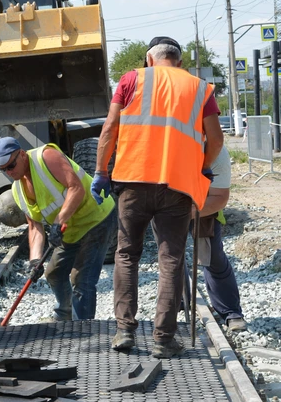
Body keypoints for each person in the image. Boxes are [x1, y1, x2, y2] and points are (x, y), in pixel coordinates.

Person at [92, 36, 224, 358]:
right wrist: (203, 168)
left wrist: (101, 171)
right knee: (171, 259)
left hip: (133, 181)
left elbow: (110, 127)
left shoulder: (131, 79)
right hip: (177, 187)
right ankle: (163, 339)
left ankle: (125, 331)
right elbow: (217, 140)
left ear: (150, 59)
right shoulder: (199, 88)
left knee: (126, 255)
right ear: (178, 62)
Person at [0, 137, 117, 321]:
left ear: (23, 155)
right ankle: (64, 317)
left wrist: (59, 221)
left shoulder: (46, 157)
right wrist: (35, 261)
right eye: (4, 170)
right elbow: (34, 227)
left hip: (97, 218)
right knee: (54, 273)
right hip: (71, 229)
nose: (9, 172)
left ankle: (83, 329)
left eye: (11, 166)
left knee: (82, 279)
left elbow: (76, 188)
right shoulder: (18, 191)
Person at [197, 145, 247, 332]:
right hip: (167, 204)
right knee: (170, 259)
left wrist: (187, 213)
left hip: (205, 204)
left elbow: (219, 197)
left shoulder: (216, 153)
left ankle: (231, 312)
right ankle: (176, 304)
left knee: (213, 257)